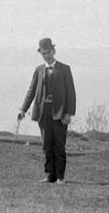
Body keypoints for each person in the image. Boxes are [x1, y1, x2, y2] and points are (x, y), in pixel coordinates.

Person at [18, 38, 76, 184]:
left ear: (53, 51)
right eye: (43, 53)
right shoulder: (38, 70)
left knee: (59, 144)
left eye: (48, 52)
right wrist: (23, 110)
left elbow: (71, 93)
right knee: (46, 145)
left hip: (60, 112)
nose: (46, 56)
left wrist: (68, 113)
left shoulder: (65, 69)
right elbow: (31, 91)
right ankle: (49, 175)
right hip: (43, 112)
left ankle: (60, 176)